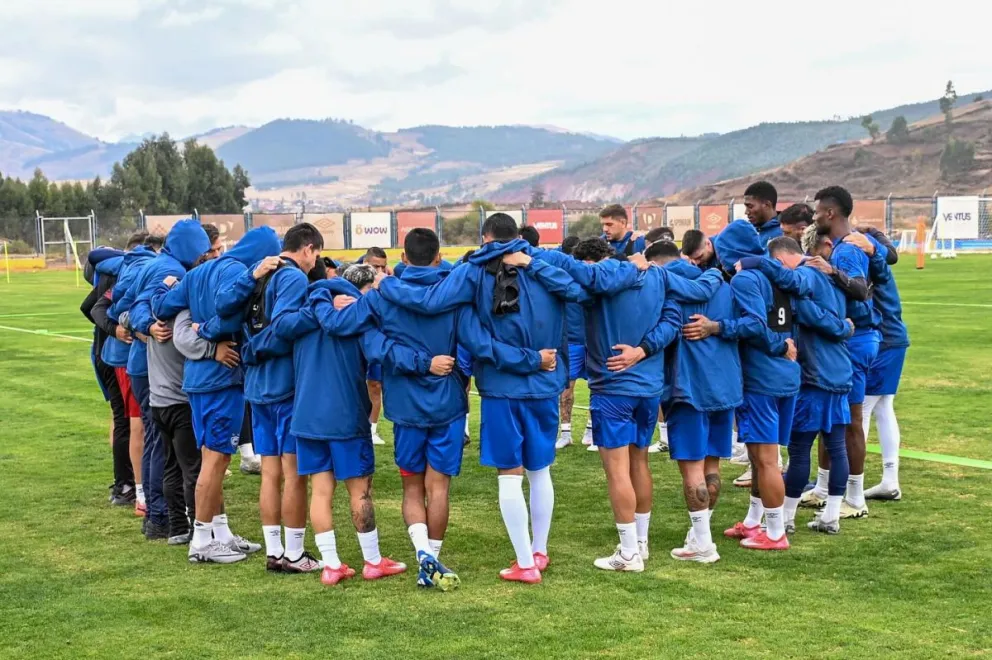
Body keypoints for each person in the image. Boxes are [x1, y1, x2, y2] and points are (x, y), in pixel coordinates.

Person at [327, 228, 549, 588]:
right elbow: (483, 345)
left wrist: (332, 298)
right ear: (437, 257)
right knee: (439, 488)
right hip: (447, 404)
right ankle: (431, 557)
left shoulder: (382, 296)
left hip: (404, 408)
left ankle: (423, 556)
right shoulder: (455, 299)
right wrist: (533, 359)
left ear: (403, 258)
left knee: (412, 489)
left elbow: (356, 336)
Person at [372, 213, 569, 584]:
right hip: (545, 381)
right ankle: (538, 551)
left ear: (485, 238)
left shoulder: (474, 270)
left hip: (501, 387)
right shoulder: (548, 262)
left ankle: (526, 562)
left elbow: (434, 304)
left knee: (509, 473)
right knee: (540, 469)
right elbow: (578, 290)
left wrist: (385, 285)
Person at [526, 237, 683, 571]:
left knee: (617, 471)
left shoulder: (601, 283)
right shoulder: (658, 276)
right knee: (639, 463)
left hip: (613, 387)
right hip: (649, 387)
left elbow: (569, 277)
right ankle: (640, 543)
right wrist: (643, 350)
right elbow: (672, 321)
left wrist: (529, 256)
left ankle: (628, 553)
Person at [152, 226, 282, 564]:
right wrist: (213, 337)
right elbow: (228, 308)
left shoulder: (198, 272)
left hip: (197, 379)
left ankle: (220, 532)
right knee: (215, 462)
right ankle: (201, 541)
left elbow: (164, 306)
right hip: (220, 379)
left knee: (215, 458)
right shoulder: (240, 271)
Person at [291, 264, 414, 585]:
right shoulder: (358, 318)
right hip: (345, 416)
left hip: (306, 416)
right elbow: (380, 354)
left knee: (320, 492)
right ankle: (372, 560)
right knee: (360, 492)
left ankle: (331, 564)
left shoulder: (306, 314)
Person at [683, 220, 799, 551]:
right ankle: (753, 521)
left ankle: (775, 533)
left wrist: (717, 326)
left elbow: (754, 325)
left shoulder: (747, 278)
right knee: (762, 455)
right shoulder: (775, 274)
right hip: (785, 376)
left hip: (763, 377)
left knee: (765, 459)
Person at [218, 223, 325, 573]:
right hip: (285, 385)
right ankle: (294, 555)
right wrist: (318, 314)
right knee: (294, 474)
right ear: (308, 248)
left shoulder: (261, 272)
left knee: (271, 473)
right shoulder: (293, 277)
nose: (316, 263)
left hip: (257, 389)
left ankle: (274, 551)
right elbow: (283, 326)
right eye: (316, 255)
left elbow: (225, 307)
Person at [738, 236, 854, 535]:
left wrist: (754, 262)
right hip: (840, 371)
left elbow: (804, 303)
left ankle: (785, 518)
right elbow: (853, 311)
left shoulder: (804, 273)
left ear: (781, 259)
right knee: (836, 445)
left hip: (816, 374)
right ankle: (831, 515)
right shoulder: (829, 276)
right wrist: (844, 327)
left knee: (800, 449)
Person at [648, 240, 741, 563]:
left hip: (689, 386)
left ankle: (703, 543)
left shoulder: (667, 291)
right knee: (712, 466)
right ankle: (699, 535)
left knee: (691, 469)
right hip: (725, 385)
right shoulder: (722, 286)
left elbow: (664, 334)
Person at [123, 219, 212, 543]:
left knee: (158, 444)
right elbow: (141, 307)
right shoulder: (170, 269)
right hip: (158, 371)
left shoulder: (158, 262)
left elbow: (126, 305)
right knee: (169, 451)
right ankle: (164, 518)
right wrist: (148, 325)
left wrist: (139, 324)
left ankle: (159, 517)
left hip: (145, 367)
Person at [810, 186, 889, 519]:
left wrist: (832, 272)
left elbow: (860, 291)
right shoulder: (843, 246)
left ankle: (855, 498)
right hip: (847, 341)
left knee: (851, 421)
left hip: (857, 341)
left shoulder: (848, 250)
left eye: (816, 212)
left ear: (830, 213)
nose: (813, 218)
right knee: (833, 418)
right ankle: (824, 487)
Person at [100, 233, 161, 522]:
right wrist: (121, 328)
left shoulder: (130, 268)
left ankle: (140, 489)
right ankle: (139, 492)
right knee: (137, 423)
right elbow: (100, 306)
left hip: (128, 357)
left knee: (136, 422)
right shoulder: (136, 269)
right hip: (127, 358)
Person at [82, 243, 134, 506]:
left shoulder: (106, 274)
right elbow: (92, 308)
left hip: (103, 352)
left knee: (122, 419)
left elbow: (88, 306)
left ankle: (124, 482)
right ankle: (126, 484)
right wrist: (114, 330)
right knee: (129, 420)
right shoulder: (123, 274)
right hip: (114, 357)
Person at [858, 226, 908, 501]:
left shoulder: (872, 268)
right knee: (883, 406)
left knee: (863, 409)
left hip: (884, 341)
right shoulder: (880, 266)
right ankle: (889, 479)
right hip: (893, 339)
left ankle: (853, 485)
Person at [554, 236, 593, 450]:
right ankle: (566, 433)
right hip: (572, 340)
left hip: (595, 340)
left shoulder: (595, 274)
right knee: (566, 387)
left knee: (597, 386)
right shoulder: (562, 277)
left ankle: (591, 430)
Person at [743, 181, 783, 248]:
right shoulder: (749, 232)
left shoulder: (784, 234)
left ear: (766, 205)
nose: (746, 212)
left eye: (750, 206)